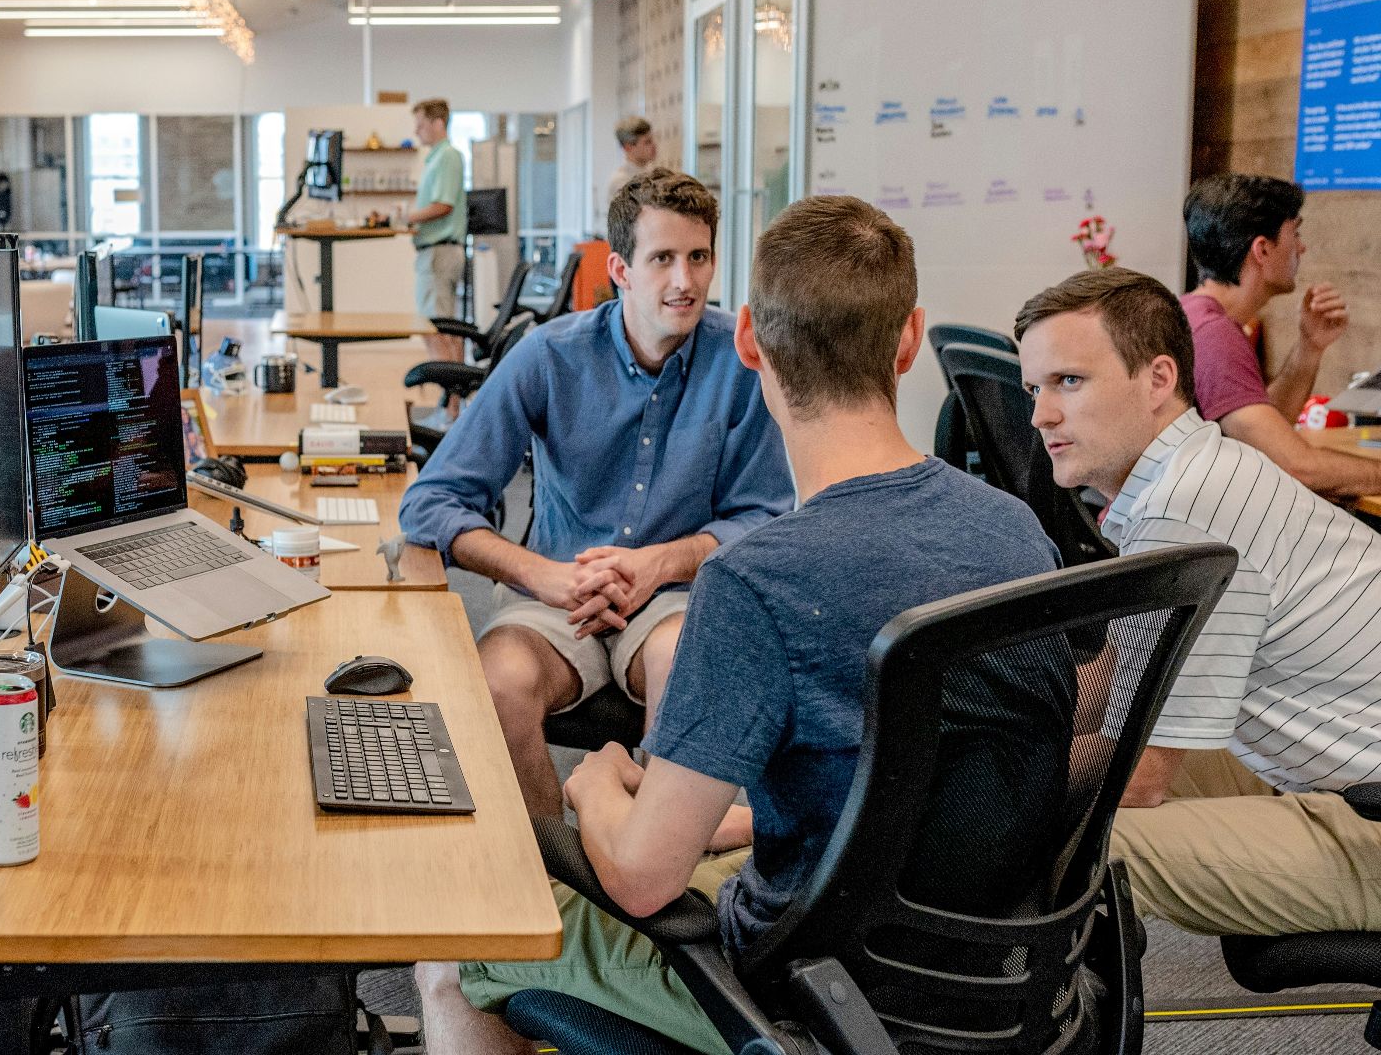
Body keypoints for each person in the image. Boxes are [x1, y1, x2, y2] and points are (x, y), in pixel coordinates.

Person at [416, 195, 1066, 1055]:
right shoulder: (1018, 530)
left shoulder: (754, 583)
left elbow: (645, 881)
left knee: (453, 945)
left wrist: (597, 786)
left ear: (750, 339)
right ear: (911, 340)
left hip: (799, 995)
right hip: (995, 984)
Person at [398, 168, 793, 819]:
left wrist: (659, 564)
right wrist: (541, 575)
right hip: (556, 594)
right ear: (620, 268)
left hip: (675, 597)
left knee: (689, 674)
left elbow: (767, 518)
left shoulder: (743, 362)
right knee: (498, 685)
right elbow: (431, 501)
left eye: (699, 258)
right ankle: (558, 875)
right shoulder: (549, 357)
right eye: (662, 258)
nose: (684, 281)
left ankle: (650, 871)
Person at [1017, 266, 1381, 937]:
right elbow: (1119, 681)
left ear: (1158, 380)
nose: (1041, 414)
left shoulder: (1187, 510)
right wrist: (987, 739)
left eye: (1069, 381)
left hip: (1366, 822)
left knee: (1074, 838)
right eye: (1035, 388)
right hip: (1335, 777)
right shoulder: (1191, 477)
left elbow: (1141, 777)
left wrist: (942, 793)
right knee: (1032, 778)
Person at [1180, 173, 1381, 498]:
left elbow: (1264, 433)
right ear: (1262, 249)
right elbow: (1295, 465)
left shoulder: (1198, 313)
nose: (1301, 247)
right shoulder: (1214, 335)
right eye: (1294, 233)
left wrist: (1310, 346)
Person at [411, 97, 468, 362]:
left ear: (438, 123)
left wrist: (408, 217)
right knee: (440, 328)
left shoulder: (447, 156)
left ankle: (451, 401)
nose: (416, 130)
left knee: (436, 330)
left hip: (440, 252)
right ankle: (452, 399)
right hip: (435, 251)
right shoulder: (436, 159)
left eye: (421, 124)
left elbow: (443, 205)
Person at [603, 116, 659, 223]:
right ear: (628, 147)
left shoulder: (654, 172)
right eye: (647, 142)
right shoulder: (620, 181)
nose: (654, 145)